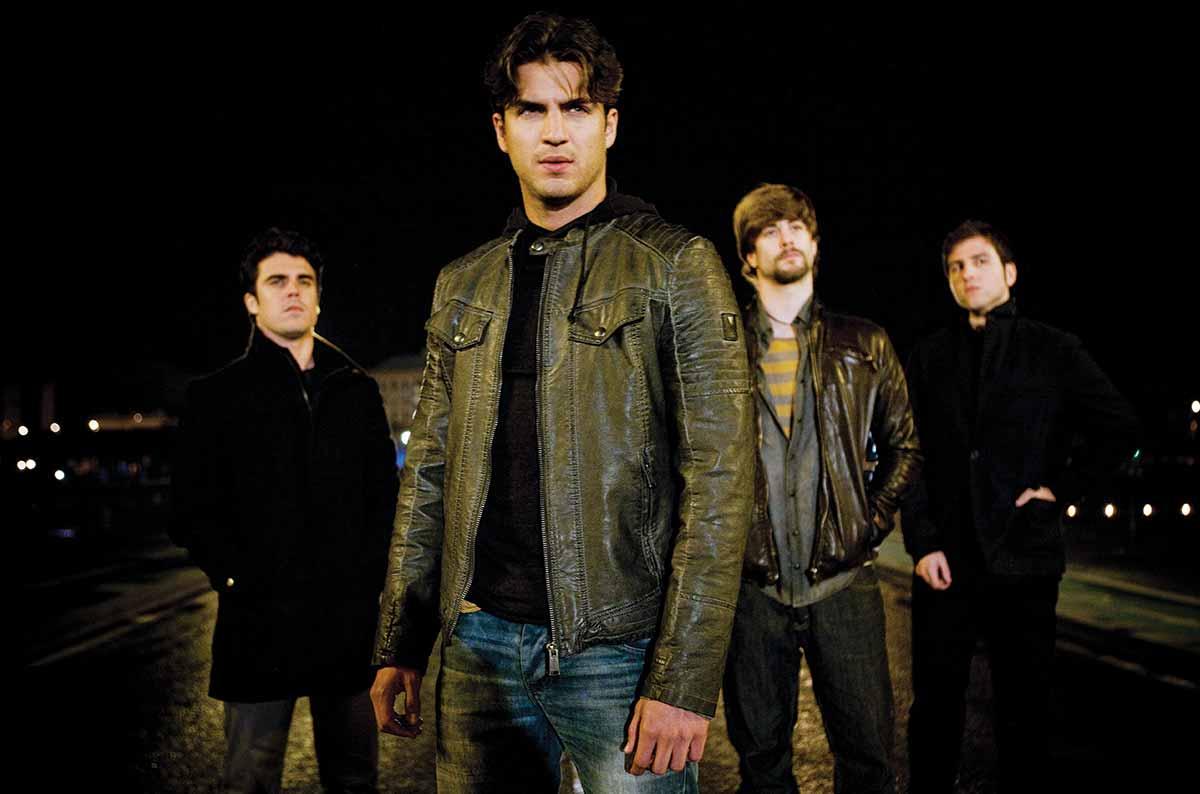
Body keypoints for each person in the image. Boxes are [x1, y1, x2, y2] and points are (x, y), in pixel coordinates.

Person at [368, 12, 755, 793]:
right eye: (531, 110)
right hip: (477, 644)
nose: (554, 132)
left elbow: (720, 482)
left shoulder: (675, 265)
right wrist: (400, 641)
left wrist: (682, 681)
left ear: (609, 124)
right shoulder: (462, 282)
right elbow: (429, 473)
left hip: (619, 651)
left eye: (575, 108)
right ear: (500, 130)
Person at [902, 220, 1139, 793]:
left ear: (1010, 273)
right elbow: (910, 454)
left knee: (1024, 710)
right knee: (934, 708)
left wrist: (1060, 489)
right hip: (945, 562)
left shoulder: (1053, 349)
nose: (967, 274)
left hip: (1024, 557)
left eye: (979, 261)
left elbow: (1120, 428)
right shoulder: (929, 356)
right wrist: (923, 542)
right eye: (956, 267)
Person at [172, 227, 399, 793]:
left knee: (354, 779)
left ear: (319, 296)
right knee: (250, 778)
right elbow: (190, 507)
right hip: (258, 627)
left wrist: (367, 582)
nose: (293, 290)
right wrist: (237, 578)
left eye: (305, 280)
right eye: (276, 281)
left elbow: (385, 500)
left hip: (346, 629)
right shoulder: (215, 396)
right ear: (252, 301)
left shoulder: (356, 389)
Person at [721, 184, 921, 793]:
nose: (786, 237)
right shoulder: (719, 349)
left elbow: (906, 446)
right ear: (749, 256)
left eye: (797, 227)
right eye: (769, 229)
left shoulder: (864, 342)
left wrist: (868, 521)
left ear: (814, 243)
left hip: (844, 584)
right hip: (751, 591)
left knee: (868, 759)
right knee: (762, 763)